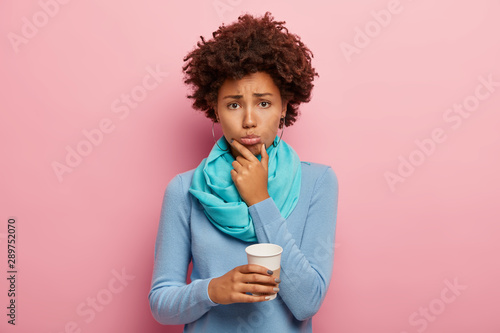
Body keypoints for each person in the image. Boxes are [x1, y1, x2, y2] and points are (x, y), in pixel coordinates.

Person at [148, 12, 338, 332]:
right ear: (215, 108)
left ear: (284, 107)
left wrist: (259, 199)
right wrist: (213, 290)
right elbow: (161, 304)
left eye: (263, 103)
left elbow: (307, 302)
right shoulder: (184, 190)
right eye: (234, 104)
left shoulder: (318, 182)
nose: (249, 119)